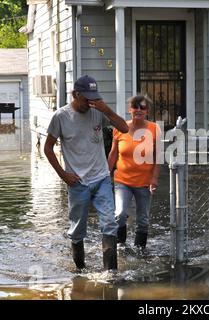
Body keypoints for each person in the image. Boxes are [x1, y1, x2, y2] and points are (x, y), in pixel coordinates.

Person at [44, 75, 129, 271]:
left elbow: (124, 128)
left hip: (101, 178)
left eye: (93, 97)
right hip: (77, 182)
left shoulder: (97, 112)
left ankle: (111, 274)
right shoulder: (61, 117)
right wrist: (63, 175)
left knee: (110, 224)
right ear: (75, 94)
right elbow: (48, 149)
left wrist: (105, 108)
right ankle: (81, 272)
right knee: (77, 231)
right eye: (86, 98)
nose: (89, 102)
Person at [108, 95, 161, 249]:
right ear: (129, 109)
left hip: (144, 182)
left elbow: (158, 157)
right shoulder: (120, 128)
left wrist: (154, 179)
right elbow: (113, 154)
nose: (138, 110)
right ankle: (120, 246)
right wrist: (105, 175)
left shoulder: (154, 129)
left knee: (143, 220)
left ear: (147, 111)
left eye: (142, 107)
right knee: (120, 214)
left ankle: (140, 251)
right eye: (135, 107)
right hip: (122, 181)